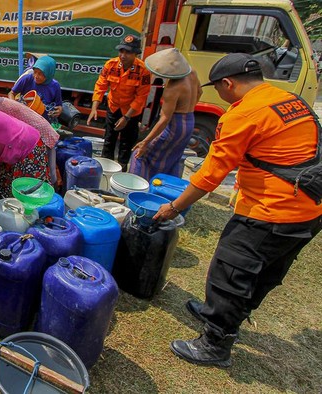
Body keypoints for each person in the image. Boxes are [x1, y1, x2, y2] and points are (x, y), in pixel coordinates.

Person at [153, 53, 322, 367]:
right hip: (310, 209)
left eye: (218, 89)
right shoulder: (290, 101)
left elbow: (209, 176)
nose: (219, 95)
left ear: (227, 83)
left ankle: (215, 344)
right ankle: (225, 315)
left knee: (230, 273)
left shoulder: (243, 113)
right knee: (265, 272)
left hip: (271, 210)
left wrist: (174, 207)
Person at [129, 48, 202, 180]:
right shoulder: (193, 73)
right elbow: (200, 92)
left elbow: (164, 119)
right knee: (172, 158)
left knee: (138, 155)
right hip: (189, 121)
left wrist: (145, 142)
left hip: (176, 125)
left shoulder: (172, 89)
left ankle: (137, 190)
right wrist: (188, 107)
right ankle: (167, 189)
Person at [87, 34, 151, 171]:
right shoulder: (111, 65)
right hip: (113, 107)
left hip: (131, 113)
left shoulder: (143, 71)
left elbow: (141, 97)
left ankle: (121, 170)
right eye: (121, 51)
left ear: (135, 54)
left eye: (128, 52)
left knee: (126, 145)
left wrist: (127, 117)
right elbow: (100, 86)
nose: (123, 55)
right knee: (109, 140)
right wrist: (94, 108)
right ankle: (105, 170)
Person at [8, 55, 62, 121]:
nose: (36, 76)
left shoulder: (55, 86)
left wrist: (59, 110)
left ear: (49, 74)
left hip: (43, 121)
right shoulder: (27, 79)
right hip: (24, 118)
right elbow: (11, 93)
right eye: (35, 72)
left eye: (40, 74)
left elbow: (59, 105)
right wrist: (15, 105)